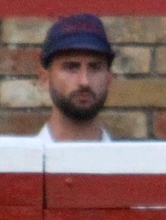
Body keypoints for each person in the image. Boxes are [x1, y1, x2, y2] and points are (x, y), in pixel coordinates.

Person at [36, 14, 115, 143]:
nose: (84, 81)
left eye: (94, 68)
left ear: (109, 78)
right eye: (71, 67)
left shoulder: (132, 163)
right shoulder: (18, 163)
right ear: (45, 78)